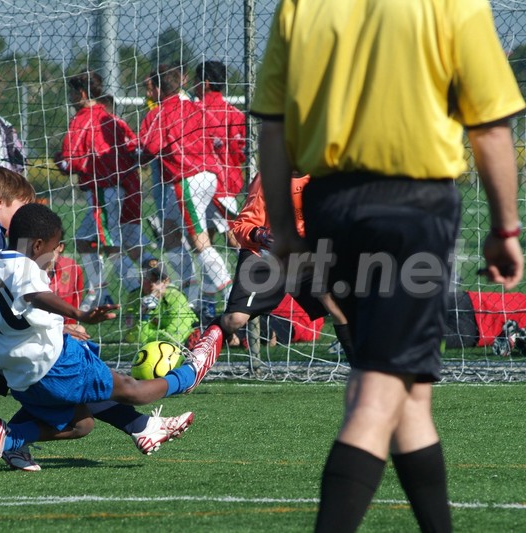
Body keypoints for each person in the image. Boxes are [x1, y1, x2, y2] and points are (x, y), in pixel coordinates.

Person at [252, 2, 525, 531]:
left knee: (409, 394)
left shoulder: (301, 6)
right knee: (375, 394)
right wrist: (505, 230)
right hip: (411, 211)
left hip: (332, 207)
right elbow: (491, 125)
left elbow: (274, 125)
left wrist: (284, 229)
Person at [0, 168, 196, 472]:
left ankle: (11, 440)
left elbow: (15, 300)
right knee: (66, 378)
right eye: (22, 206)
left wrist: (58, 324)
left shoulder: (5, 255)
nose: (26, 214)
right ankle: (149, 416)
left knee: (76, 416)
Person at [213, 172, 352, 352]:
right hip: (267, 256)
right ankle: (198, 357)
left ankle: (361, 364)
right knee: (235, 320)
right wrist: (261, 235)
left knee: (338, 304)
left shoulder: (324, 174)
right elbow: (242, 225)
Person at [138, 65, 232, 314]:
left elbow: (149, 149)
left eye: (150, 87)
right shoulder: (194, 106)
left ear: (158, 88)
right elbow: (216, 139)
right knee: (169, 232)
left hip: (188, 179)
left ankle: (232, 294)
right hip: (209, 176)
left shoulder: (159, 114)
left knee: (200, 242)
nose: (148, 92)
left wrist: (134, 155)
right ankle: (192, 295)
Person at [54, 71, 151, 310]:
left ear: (81, 94)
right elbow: (135, 149)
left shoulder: (81, 121)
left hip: (102, 191)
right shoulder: (114, 120)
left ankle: (138, 289)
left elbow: (71, 162)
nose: (69, 97)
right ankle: (101, 292)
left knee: (109, 242)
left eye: (71, 93)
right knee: (86, 240)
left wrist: (59, 161)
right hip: (127, 189)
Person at [194, 60, 246, 252]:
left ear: (205, 83)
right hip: (226, 183)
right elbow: (240, 153)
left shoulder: (192, 111)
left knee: (232, 241)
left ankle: (261, 269)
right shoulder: (235, 114)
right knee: (203, 242)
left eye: (196, 80)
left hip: (198, 185)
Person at [124, 261, 197, 346]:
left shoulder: (176, 297)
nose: (152, 284)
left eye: (157, 279)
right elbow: (132, 338)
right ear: (140, 280)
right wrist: (144, 316)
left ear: (166, 281)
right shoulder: (134, 298)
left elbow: (176, 336)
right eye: (147, 278)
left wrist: (148, 335)